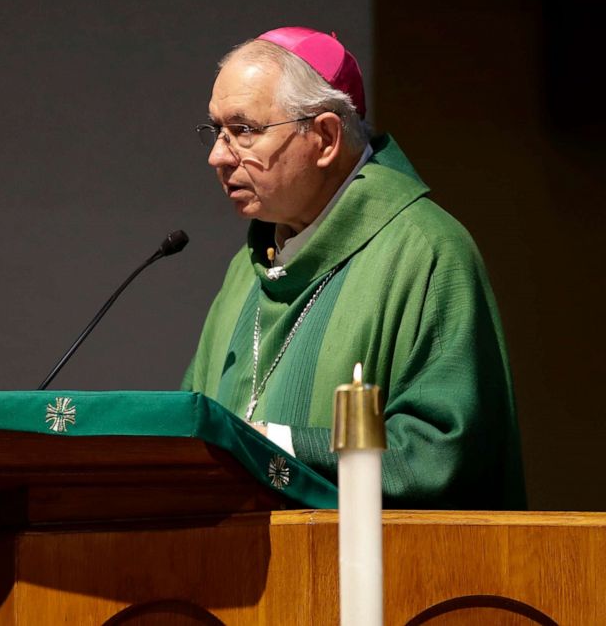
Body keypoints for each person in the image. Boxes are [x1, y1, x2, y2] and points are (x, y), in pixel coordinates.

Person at [181, 27, 526, 509]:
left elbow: (442, 454)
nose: (218, 155)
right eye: (215, 130)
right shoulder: (248, 268)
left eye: (243, 131)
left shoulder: (424, 251)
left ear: (324, 137)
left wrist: (280, 442)